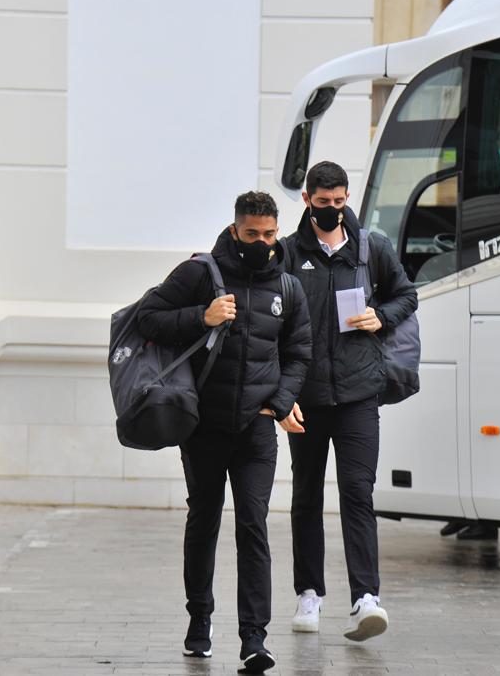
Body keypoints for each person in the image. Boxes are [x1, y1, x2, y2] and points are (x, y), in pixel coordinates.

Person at [136, 191, 311, 675]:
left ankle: (254, 638)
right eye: (252, 234)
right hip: (204, 427)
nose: (262, 243)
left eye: (270, 235)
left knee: (253, 524)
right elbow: (146, 317)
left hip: (257, 427)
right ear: (235, 230)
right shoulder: (200, 273)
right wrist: (201, 316)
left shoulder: (288, 287)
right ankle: (199, 623)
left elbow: (299, 354)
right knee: (205, 519)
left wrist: (277, 404)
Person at [280, 161, 418, 641]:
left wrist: (380, 316)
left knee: (358, 493)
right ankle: (309, 595)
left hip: (360, 393)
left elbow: (407, 295)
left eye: (340, 203)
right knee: (306, 496)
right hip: (308, 397)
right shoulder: (287, 253)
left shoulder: (369, 247)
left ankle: (366, 598)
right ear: (307, 200)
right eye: (324, 204)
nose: (333, 211)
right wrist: (281, 396)